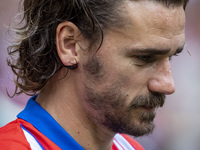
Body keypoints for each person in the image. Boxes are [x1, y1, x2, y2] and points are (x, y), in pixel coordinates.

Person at [0, 0, 189, 149]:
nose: (167, 85)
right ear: (71, 45)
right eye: (145, 57)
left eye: (170, 57)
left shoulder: (131, 147)